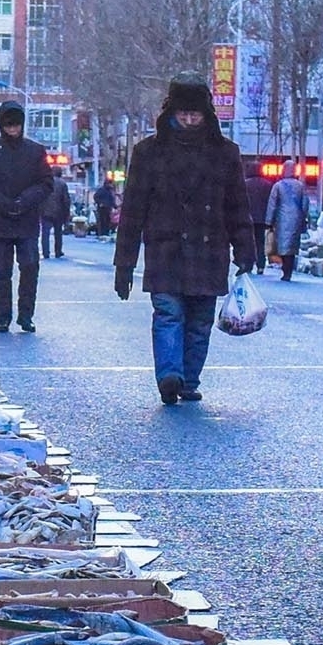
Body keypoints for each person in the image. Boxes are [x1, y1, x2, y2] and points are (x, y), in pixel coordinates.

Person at [114, 77, 252, 405]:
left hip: (209, 251)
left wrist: (246, 250)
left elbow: (237, 206)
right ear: (171, 113)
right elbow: (132, 211)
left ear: (207, 115)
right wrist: (124, 265)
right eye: (183, 114)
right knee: (168, 314)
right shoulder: (148, 152)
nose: (190, 121)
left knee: (200, 321)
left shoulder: (225, 153)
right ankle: (169, 375)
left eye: (196, 115)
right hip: (166, 250)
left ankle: (188, 381)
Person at [0, 101, 55, 333]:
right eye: (9, 126)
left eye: (16, 126)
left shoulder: (35, 151)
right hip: (1, 221)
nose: (13, 130)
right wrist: (4, 204)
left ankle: (26, 315)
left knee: (29, 267)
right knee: (1, 271)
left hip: (26, 219)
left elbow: (46, 183)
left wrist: (24, 200)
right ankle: (2, 316)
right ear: (1, 126)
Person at [267, 165, 314, 283]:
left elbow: (272, 204)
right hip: (296, 218)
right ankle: (289, 269)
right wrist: (304, 217)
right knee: (292, 244)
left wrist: (269, 220)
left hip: (281, 219)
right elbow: (305, 203)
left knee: (282, 244)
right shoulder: (300, 186)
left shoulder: (278, 186)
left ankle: (285, 268)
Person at [43, 168, 73, 259]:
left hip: (45, 211)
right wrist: (66, 213)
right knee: (58, 233)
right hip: (58, 212)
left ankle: (45, 252)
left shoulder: (45, 182)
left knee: (45, 233)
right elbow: (66, 200)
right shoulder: (62, 184)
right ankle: (58, 251)